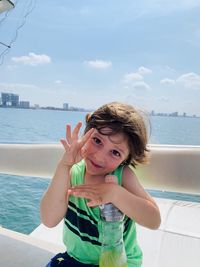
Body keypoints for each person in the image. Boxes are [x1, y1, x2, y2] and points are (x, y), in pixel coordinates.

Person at [40, 102, 161, 267]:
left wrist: (115, 193)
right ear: (86, 135)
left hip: (120, 262)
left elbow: (154, 220)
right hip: (75, 259)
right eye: (97, 140)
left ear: (125, 159)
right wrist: (64, 166)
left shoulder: (122, 176)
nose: (100, 156)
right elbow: (49, 220)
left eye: (115, 152)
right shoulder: (72, 172)